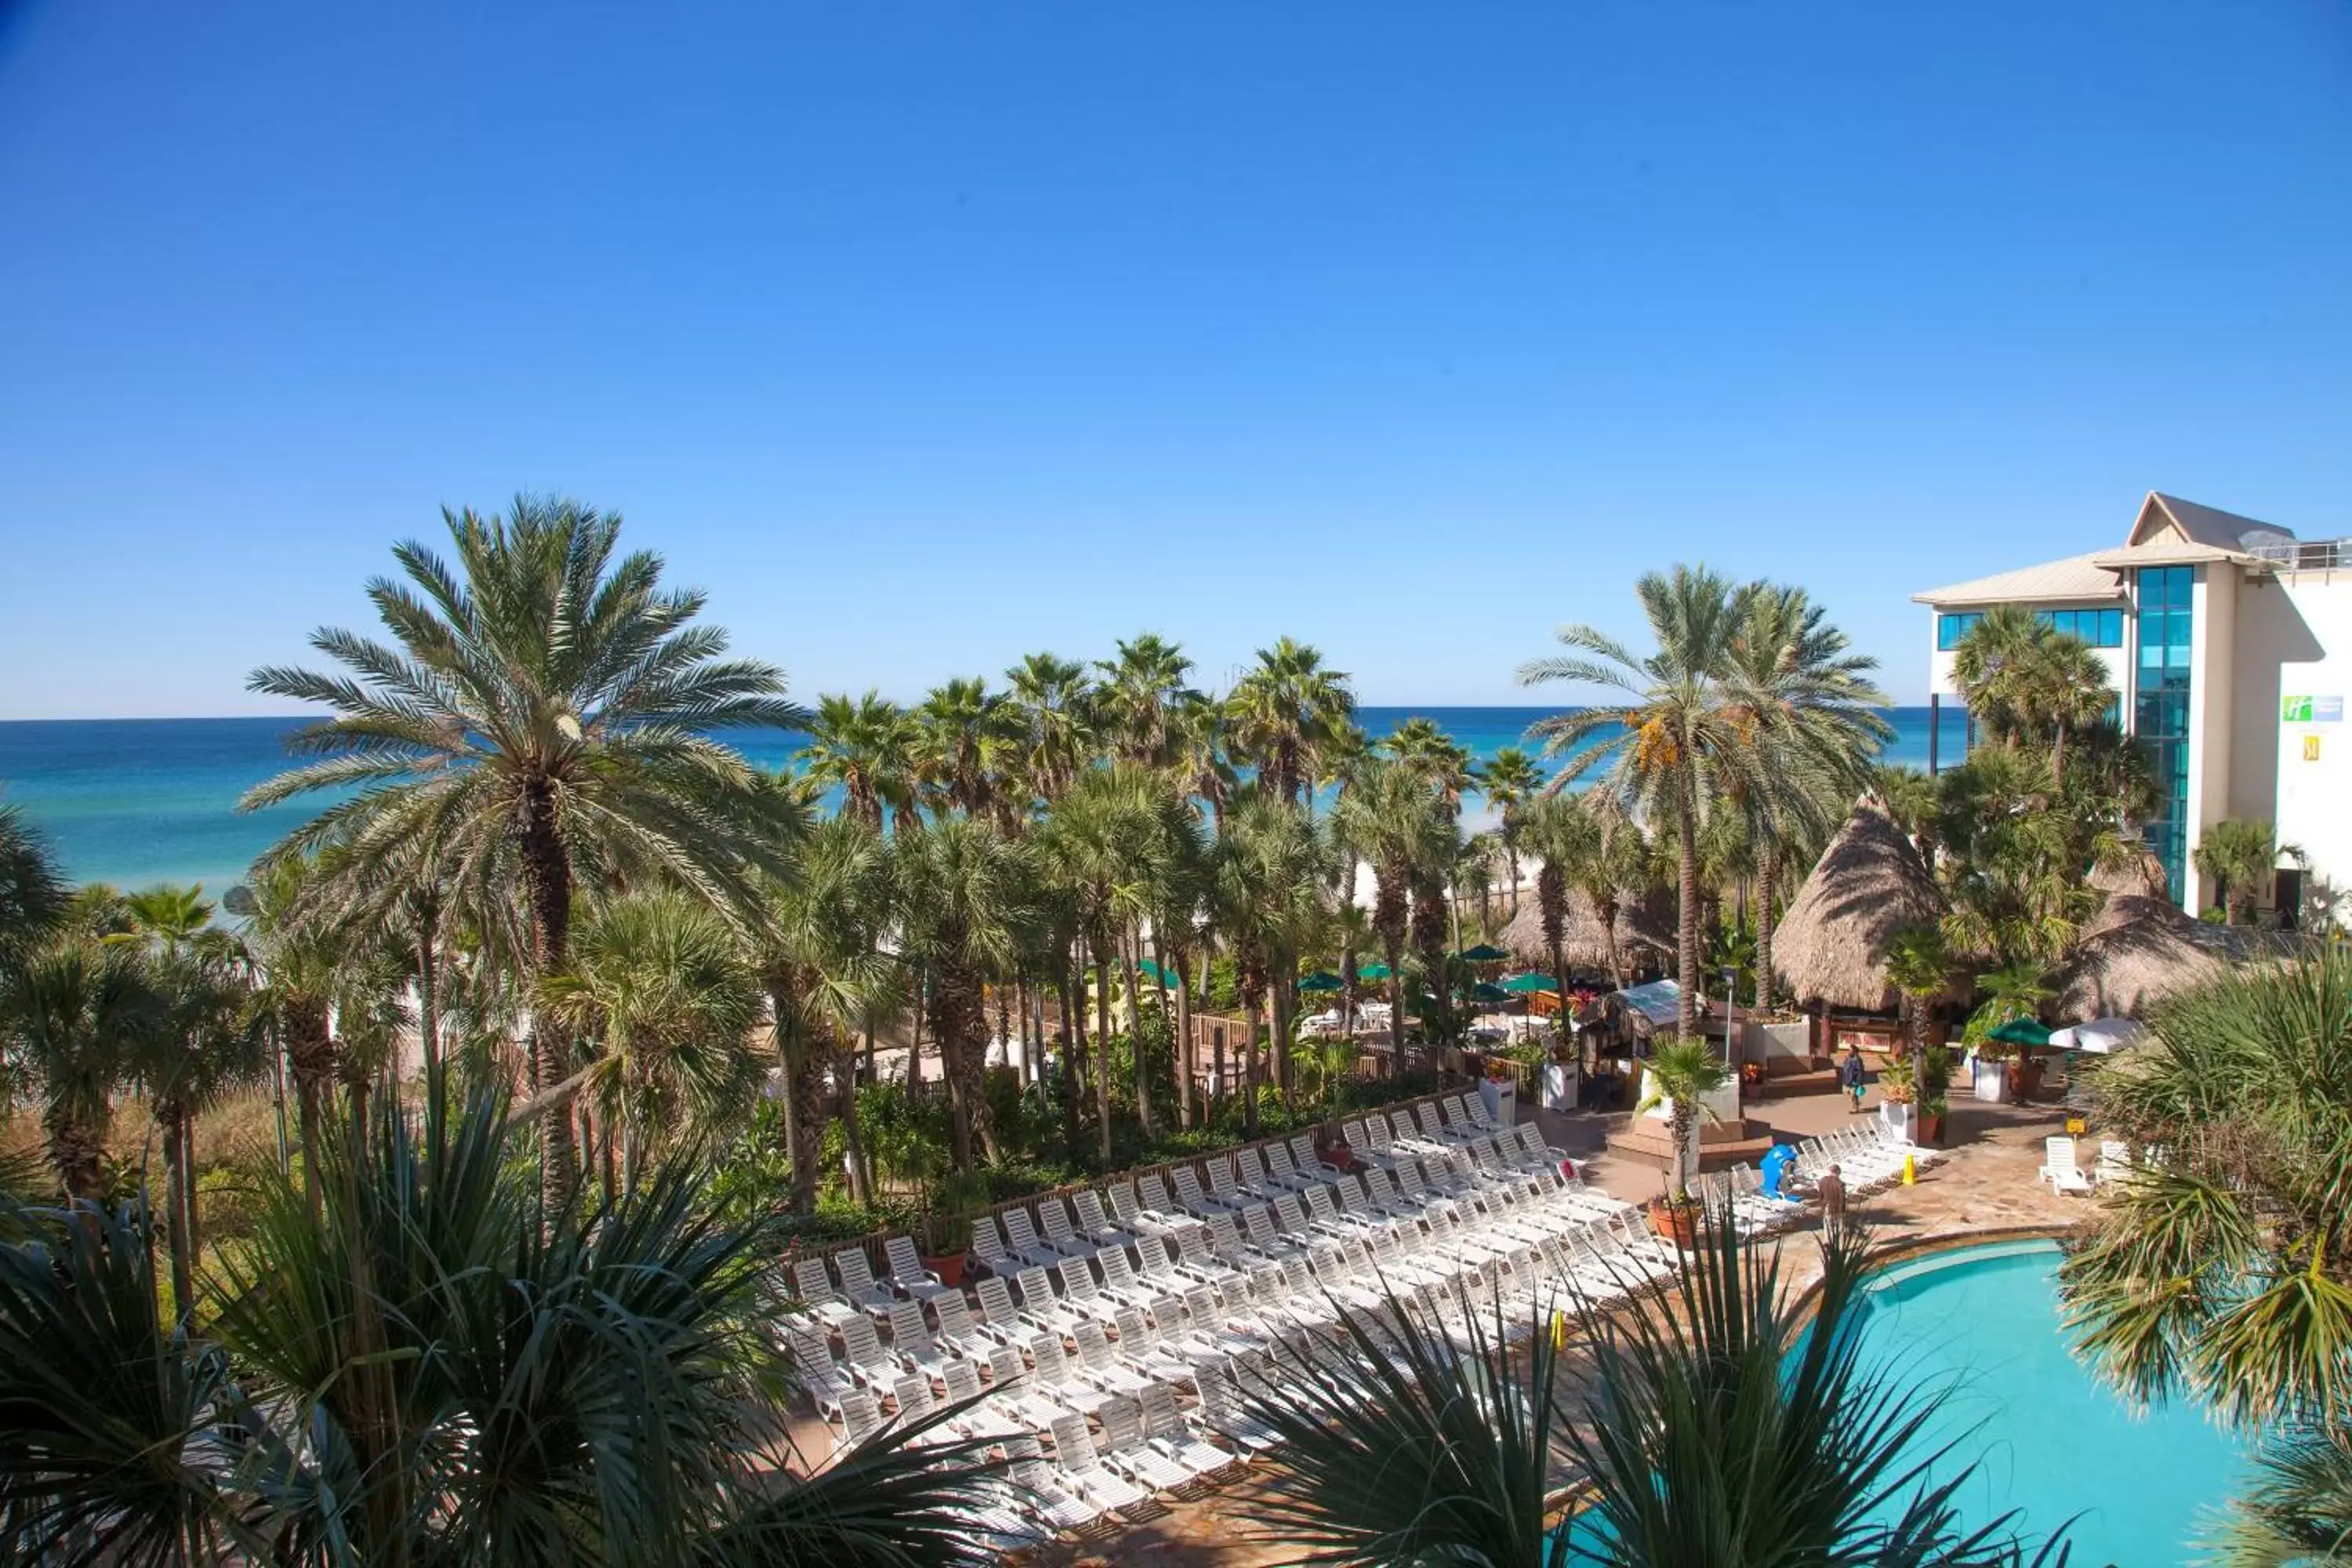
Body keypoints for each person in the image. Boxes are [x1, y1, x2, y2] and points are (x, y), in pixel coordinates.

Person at [1818, 1162, 1848, 1236]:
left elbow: (1820, 1196)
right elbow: (1842, 1198)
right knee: (1840, 1232)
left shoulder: (1823, 1181)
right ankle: (1840, 1247)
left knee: (1828, 1232)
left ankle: (1829, 1246)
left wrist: (1823, 1208)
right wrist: (1843, 1211)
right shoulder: (1840, 1183)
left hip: (1827, 1208)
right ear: (1838, 1171)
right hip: (1838, 1209)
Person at [1841, 1044, 1867, 1113]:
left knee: (1853, 1094)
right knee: (1848, 1092)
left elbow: (1860, 1071)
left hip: (1854, 1080)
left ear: (1854, 1051)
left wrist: (1859, 1082)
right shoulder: (1847, 1058)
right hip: (1847, 1080)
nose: (1849, 1051)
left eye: (1850, 1050)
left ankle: (1855, 1109)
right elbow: (1845, 1068)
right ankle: (1857, 1103)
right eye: (1849, 1050)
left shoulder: (1858, 1060)